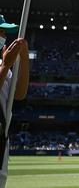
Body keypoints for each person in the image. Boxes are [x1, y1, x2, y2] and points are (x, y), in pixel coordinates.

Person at [0, 15, 29, 188]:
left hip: (2, 137)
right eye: (0, 31)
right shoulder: (3, 64)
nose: (3, 35)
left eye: (4, 32)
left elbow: (19, 94)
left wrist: (24, 58)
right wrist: (6, 65)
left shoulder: (2, 62)